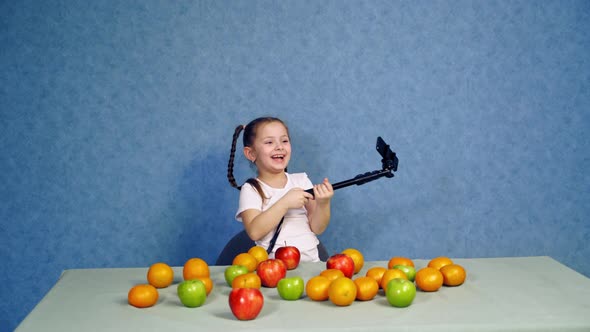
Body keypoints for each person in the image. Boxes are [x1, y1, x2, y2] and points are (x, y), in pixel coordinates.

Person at [227, 117, 334, 262]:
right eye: (269, 142)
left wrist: (323, 204)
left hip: (311, 266)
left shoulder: (301, 180)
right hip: (274, 269)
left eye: (284, 141)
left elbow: (318, 228)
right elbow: (254, 231)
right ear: (251, 154)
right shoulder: (252, 189)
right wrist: (285, 202)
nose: (279, 147)